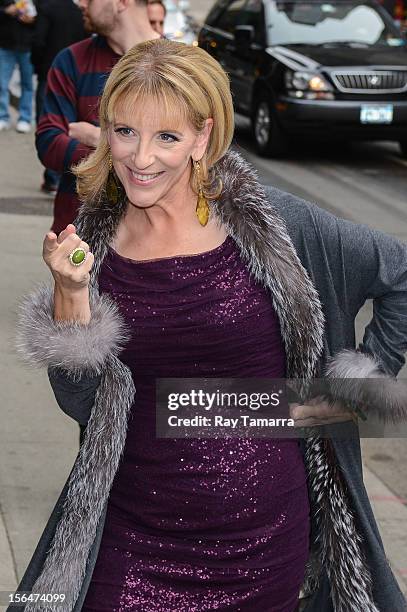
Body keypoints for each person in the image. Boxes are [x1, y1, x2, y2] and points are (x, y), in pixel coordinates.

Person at [13, 39, 407, 612]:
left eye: (166, 136)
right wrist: (71, 295)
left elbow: (399, 273)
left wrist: (341, 399)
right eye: (124, 132)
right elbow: (82, 405)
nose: (139, 158)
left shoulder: (278, 227)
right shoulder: (92, 246)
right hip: (131, 529)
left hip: (264, 541)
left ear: (203, 136)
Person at [35, 0, 160, 236]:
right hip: (78, 234)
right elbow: (50, 143)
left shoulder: (181, 68)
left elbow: (196, 156)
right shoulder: (71, 59)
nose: (80, 4)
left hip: (154, 239)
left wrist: (99, 138)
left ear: (122, 2)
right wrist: (138, 151)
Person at [32, 0, 88, 193]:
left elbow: (38, 40)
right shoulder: (78, 11)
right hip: (77, 72)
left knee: (49, 123)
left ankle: (52, 177)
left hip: (49, 70)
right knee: (66, 126)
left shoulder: (48, 8)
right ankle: (56, 176)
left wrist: (38, 66)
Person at [0, 0, 35, 133]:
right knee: (2, 84)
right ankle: (3, 116)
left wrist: (32, 20)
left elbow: (42, 15)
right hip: (5, 45)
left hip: (27, 46)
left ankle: (25, 118)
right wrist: (5, 11)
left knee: (27, 84)